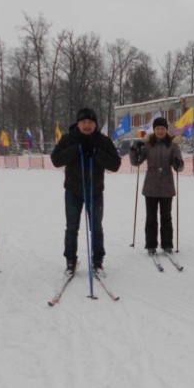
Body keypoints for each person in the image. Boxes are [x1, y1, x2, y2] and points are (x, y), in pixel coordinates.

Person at [51, 107, 122, 278]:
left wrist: (97, 153)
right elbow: (56, 160)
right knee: (71, 227)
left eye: (90, 122)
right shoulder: (69, 139)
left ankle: (97, 261)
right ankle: (70, 261)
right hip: (73, 191)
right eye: (84, 122)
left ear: (95, 124)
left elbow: (115, 164)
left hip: (95, 191)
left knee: (96, 227)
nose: (87, 125)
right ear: (78, 123)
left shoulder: (102, 141)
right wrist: (76, 149)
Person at [129, 117, 184, 255]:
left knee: (166, 217)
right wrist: (134, 150)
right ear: (154, 130)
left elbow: (179, 166)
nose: (160, 131)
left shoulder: (172, 145)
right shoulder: (148, 144)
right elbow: (136, 162)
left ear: (166, 130)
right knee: (151, 217)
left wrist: (178, 164)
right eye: (158, 128)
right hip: (151, 184)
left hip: (167, 184)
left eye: (163, 129)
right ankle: (151, 244)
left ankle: (167, 244)